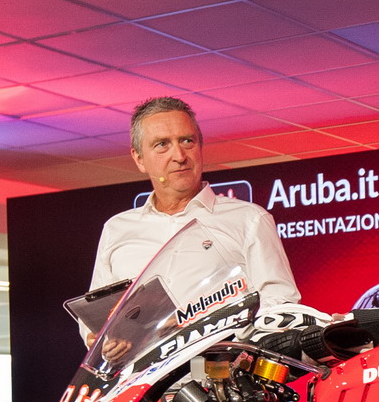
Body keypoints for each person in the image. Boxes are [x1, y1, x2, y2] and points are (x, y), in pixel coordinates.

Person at [87, 96, 299, 304]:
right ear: (139, 159)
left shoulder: (250, 220)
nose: (180, 156)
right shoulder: (116, 229)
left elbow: (280, 302)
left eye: (187, 141)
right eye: (162, 144)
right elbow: (98, 314)